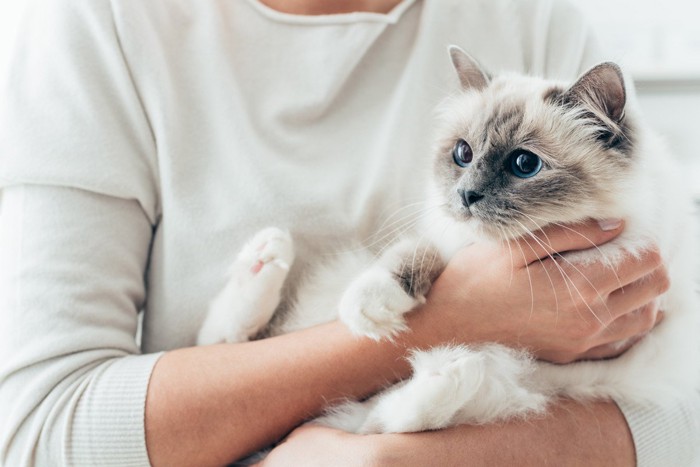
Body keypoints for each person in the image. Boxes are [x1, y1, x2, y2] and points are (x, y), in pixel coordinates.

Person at [0, 0, 698, 465]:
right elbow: (33, 430)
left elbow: (684, 416)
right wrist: (442, 320)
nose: (472, 186)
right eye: (461, 158)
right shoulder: (96, 25)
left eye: (516, 165)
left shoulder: (530, 16)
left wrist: (402, 459)